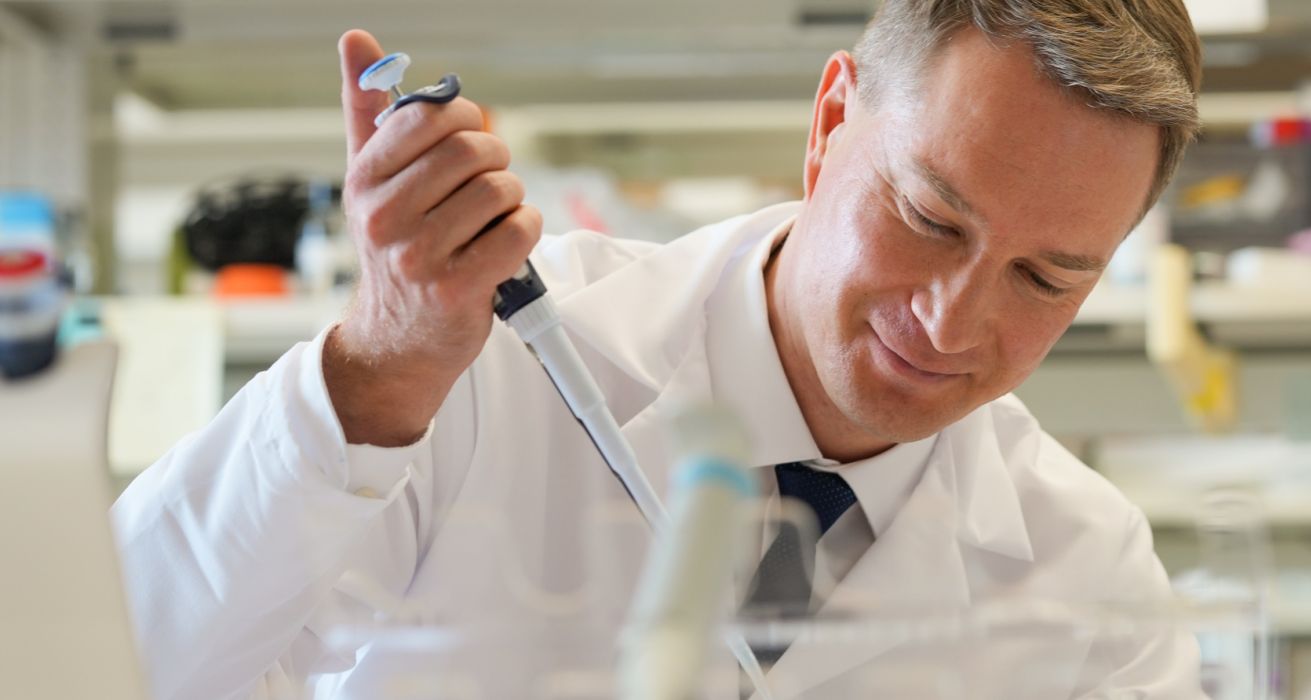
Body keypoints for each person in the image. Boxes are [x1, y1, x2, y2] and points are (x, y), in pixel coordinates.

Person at [111, 1, 1206, 698]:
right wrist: (380, 362)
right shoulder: (483, 372)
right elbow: (110, 661)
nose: (952, 321)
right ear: (831, 123)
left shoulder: (1087, 571)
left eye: (1047, 277)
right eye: (929, 217)